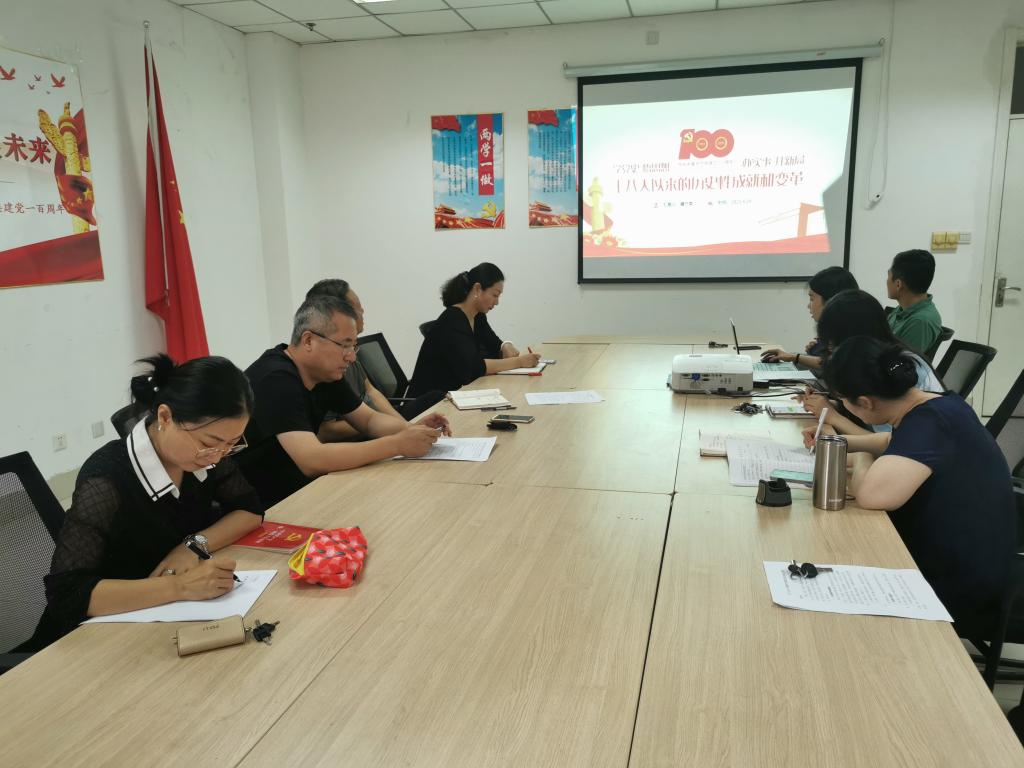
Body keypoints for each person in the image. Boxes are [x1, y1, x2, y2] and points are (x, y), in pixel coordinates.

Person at [27, 355, 263, 650]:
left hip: (162, 620)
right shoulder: (106, 479)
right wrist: (179, 587)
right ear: (165, 417)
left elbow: (249, 510)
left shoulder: (205, 456)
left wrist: (191, 546)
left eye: (231, 444)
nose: (217, 456)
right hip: (93, 640)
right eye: (208, 443)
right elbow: (67, 596)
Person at [805, 336, 1015, 630]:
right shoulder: (938, 405)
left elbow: (871, 495)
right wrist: (840, 443)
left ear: (865, 402)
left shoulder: (930, 424)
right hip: (975, 562)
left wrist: (862, 456)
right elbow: (891, 441)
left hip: (958, 585)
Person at [238, 294, 450, 507]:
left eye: (354, 346)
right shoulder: (275, 379)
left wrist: (412, 430)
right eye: (345, 345)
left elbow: (369, 420)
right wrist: (397, 444)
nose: (352, 356)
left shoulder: (324, 374)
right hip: (262, 500)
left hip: (299, 486)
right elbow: (312, 460)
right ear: (308, 340)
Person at [304, 279, 442, 441]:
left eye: (352, 346)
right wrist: (396, 431)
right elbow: (327, 431)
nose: (363, 310)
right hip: (358, 434)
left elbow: (370, 392)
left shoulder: (347, 352)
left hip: (374, 422)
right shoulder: (323, 368)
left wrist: (404, 426)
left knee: (436, 397)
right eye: (357, 307)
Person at [797, 289, 943, 436]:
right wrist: (833, 405)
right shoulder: (878, 359)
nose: (832, 350)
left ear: (854, 339)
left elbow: (888, 442)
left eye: (834, 343)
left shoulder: (899, 369)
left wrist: (834, 417)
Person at [408, 262, 539, 397]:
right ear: (477, 289)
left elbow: (494, 344)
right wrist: (519, 362)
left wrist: (505, 345)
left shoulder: (477, 316)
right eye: (495, 295)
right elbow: (474, 368)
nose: (497, 302)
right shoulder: (453, 319)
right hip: (429, 402)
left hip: (453, 395)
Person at [760, 266, 859, 369]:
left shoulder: (852, 335)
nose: (808, 306)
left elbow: (833, 365)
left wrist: (795, 357)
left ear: (830, 300)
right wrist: (815, 352)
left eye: (812, 299)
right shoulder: (840, 329)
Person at [886, 249, 943, 353]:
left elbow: (902, 360)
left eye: (888, 275)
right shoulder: (904, 308)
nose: (887, 280)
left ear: (898, 284)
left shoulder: (920, 322)